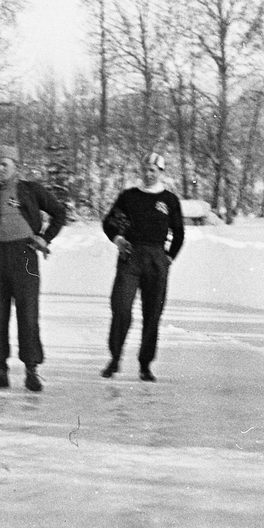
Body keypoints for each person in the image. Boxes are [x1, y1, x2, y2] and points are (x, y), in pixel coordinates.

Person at [0, 145, 66, 392]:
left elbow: (59, 213)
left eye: (5, 164)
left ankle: (31, 371)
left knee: (28, 314)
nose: (0, 168)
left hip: (24, 255)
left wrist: (45, 238)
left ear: (16, 166)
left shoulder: (31, 190)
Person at [100, 152, 185, 382]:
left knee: (152, 313)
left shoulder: (169, 200)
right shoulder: (129, 197)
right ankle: (115, 358)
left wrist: (169, 258)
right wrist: (118, 239)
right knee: (121, 307)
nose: (148, 174)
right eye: (145, 170)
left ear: (161, 173)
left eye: (153, 171)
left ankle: (145, 365)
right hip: (131, 255)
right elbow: (110, 222)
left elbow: (179, 233)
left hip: (157, 259)